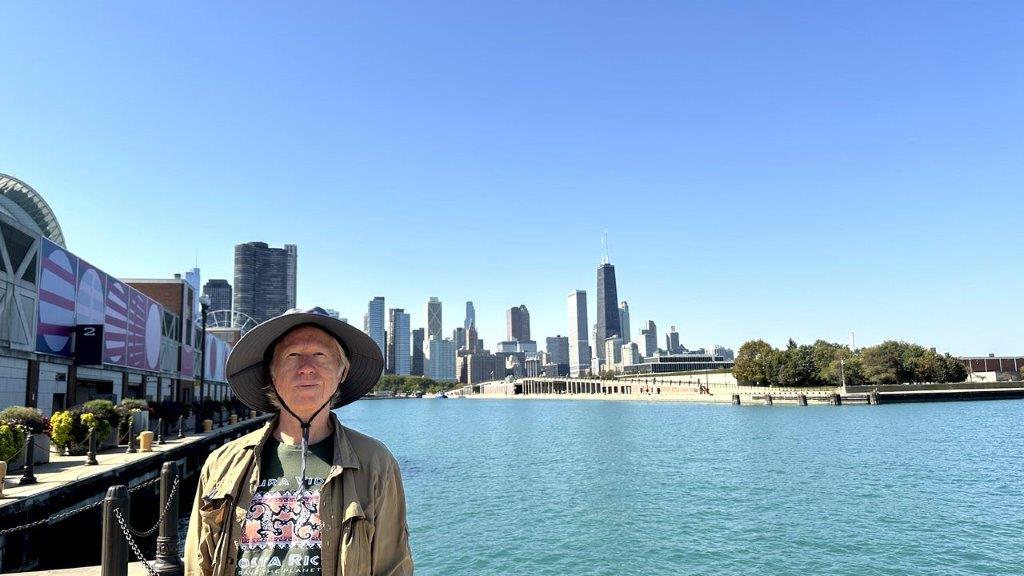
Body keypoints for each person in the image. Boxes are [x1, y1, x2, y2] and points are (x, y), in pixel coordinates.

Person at [184, 307, 413, 576]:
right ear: (272, 373)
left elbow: (392, 567)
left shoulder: (375, 462)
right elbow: (198, 563)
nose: (306, 368)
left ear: (343, 371)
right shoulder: (223, 463)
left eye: (320, 355)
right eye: (292, 356)